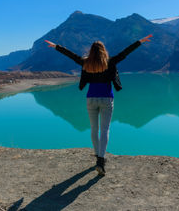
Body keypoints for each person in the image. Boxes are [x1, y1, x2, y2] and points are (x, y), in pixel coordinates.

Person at [45, 34, 152, 176]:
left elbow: (71, 55)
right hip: (107, 99)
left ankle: (97, 156)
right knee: (105, 129)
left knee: (94, 129)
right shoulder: (110, 62)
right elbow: (125, 53)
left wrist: (56, 47)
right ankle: (101, 160)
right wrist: (140, 42)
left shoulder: (86, 63)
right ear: (103, 51)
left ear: (91, 51)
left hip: (91, 99)